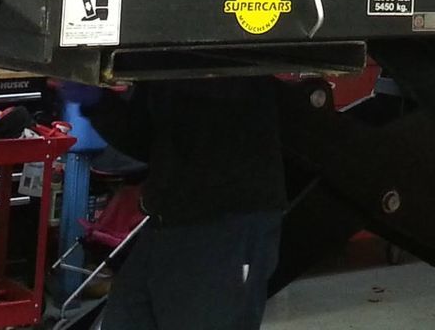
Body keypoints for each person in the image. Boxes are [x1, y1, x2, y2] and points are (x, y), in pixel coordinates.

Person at [89, 76, 288, 329]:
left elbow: (207, 120)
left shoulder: (230, 66)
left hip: (226, 224)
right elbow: (147, 139)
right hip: (166, 222)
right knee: (125, 318)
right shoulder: (164, 65)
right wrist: (98, 104)